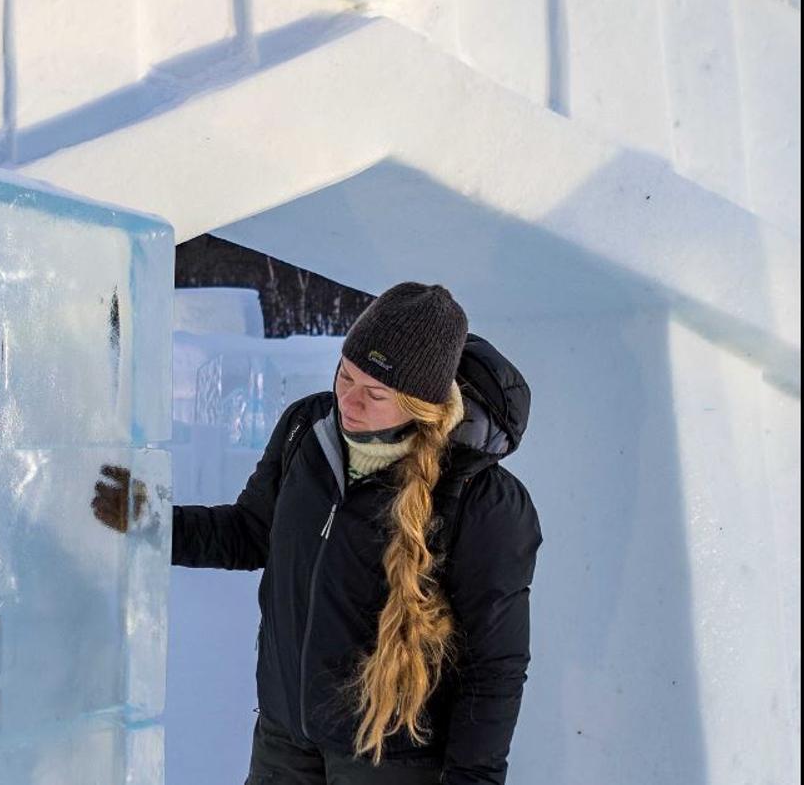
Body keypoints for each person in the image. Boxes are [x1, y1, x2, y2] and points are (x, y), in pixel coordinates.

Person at [92, 282, 542, 785]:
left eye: (376, 394)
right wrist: (154, 519)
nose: (349, 400)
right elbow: (249, 533)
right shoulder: (307, 429)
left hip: (390, 762)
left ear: (421, 404)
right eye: (346, 376)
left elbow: (493, 665)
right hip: (285, 740)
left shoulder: (481, 499)